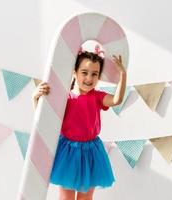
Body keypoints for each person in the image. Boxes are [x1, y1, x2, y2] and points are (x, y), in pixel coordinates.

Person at [31, 44, 127, 200]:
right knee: (66, 198)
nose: (89, 78)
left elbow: (117, 100)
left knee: (86, 198)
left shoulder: (97, 97)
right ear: (74, 73)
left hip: (91, 152)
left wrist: (122, 75)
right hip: (68, 152)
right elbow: (45, 120)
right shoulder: (65, 97)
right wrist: (35, 98)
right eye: (84, 72)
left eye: (94, 74)